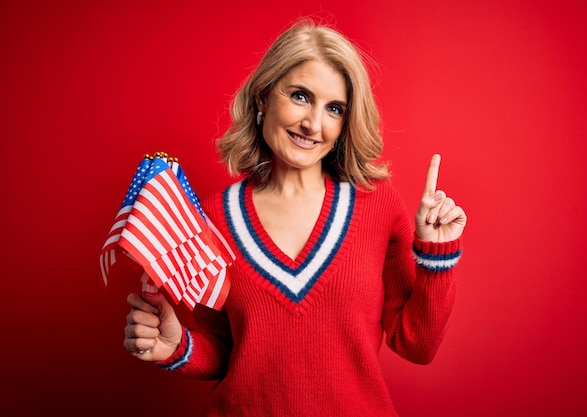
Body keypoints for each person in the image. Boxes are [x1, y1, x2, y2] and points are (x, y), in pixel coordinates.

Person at [124, 20, 467, 417]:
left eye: (334, 108)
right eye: (300, 96)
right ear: (263, 98)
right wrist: (177, 346)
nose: (313, 124)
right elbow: (228, 349)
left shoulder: (378, 206)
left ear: (344, 124)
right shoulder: (213, 218)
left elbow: (417, 346)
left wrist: (436, 256)